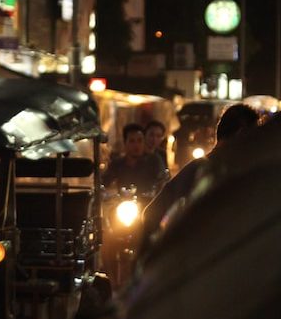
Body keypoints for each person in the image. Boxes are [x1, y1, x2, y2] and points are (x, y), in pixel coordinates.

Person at [141, 103, 261, 247]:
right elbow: (152, 214)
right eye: (252, 138)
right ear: (240, 134)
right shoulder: (202, 170)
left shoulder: (239, 174)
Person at [103, 123, 170, 196]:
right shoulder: (117, 163)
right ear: (125, 143)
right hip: (124, 203)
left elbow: (162, 181)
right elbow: (105, 182)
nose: (136, 145)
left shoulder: (154, 161)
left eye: (140, 140)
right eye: (132, 141)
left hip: (147, 202)